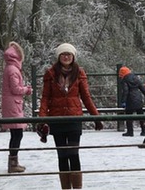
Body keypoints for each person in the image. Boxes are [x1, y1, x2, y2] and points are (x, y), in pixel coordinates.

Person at [38, 43, 104, 189]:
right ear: (59, 57)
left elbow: (86, 97)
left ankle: (77, 187)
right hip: (57, 119)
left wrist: (96, 117)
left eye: (69, 54)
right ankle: (66, 188)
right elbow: (45, 98)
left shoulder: (79, 73)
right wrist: (42, 119)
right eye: (63, 54)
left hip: (74, 119)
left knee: (73, 154)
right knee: (62, 156)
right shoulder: (50, 73)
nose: (66, 57)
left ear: (73, 56)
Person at [1, 41, 33, 173]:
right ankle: (13, 163)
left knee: (15, 134)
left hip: (11, 104)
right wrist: (26, 89)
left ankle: (13, 162)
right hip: (14, 105)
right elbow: (15, 89)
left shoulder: (9, 68)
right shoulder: (13, 70)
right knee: (17, 134)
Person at [118, 66, 145, 137]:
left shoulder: (124, 80)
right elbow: (142, 88)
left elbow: (125, 91)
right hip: (138, 98)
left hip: (130, 99)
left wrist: (123, 101)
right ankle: (144, 130)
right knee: (141, 115)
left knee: (129, 116)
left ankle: (130, 132)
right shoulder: (135, 78)